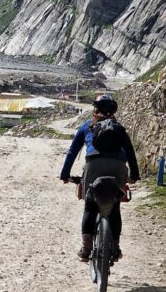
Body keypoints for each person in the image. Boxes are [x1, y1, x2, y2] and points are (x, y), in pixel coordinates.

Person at [60, 94, 140, 262]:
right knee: (115, 207)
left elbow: (72, 152)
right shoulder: (119, 129)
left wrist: (65, 175)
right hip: (118, 167)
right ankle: (115, 248)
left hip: (93, 166)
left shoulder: (87, 127)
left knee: (90, 205)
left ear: (95, 109)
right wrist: (134, 175)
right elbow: (130, 152)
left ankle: (86, 250)